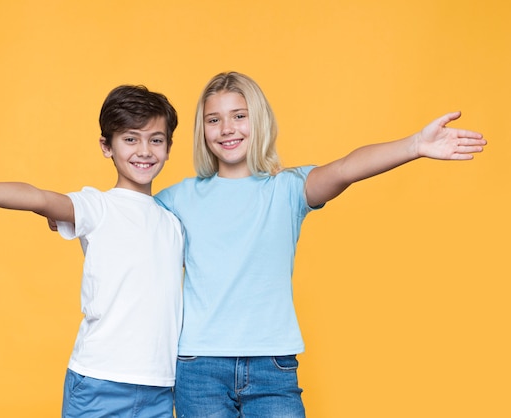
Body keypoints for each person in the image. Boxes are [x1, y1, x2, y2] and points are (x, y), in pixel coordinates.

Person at [154, 71, 487, 418]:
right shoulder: (179, 198)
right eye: (214, 119)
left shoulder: (288, 189)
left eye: (240, 116)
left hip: (273, 366)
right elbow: (132, 227)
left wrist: (415, 145)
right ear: (201, 129)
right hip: (199, 366)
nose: (227, 128)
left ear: (259, 120)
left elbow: (345, 169)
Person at [0, 85, 184, 418]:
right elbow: (41, 199)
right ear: (107, 146)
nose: (145, 150)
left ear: (168, 147)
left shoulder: (172, 221)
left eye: (156, 139)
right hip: (98, 383)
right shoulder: (98, 206)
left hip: (160, 387)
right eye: (130, 139)